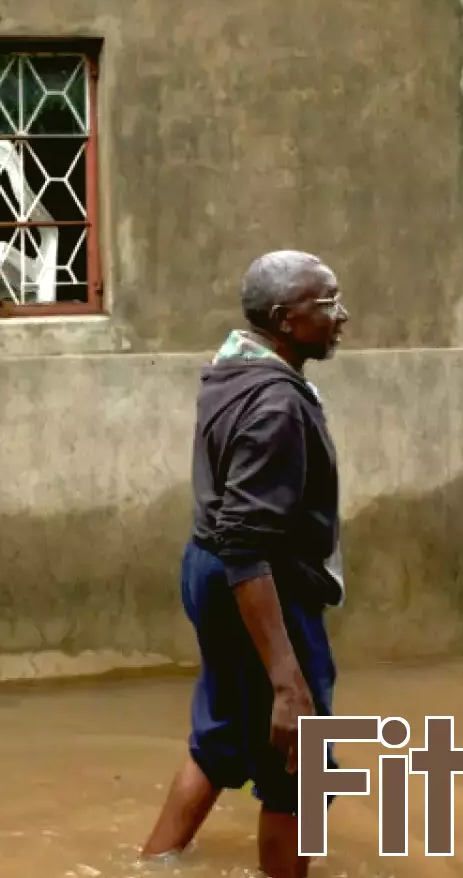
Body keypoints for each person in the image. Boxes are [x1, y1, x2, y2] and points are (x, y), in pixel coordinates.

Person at [139, 249, 350, 878]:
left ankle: (152, 866)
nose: (343, 316)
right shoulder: (276, 405)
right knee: (299, 763)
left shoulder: (232, 370)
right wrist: (288, 681)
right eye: (328, 303)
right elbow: (246, 542)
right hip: (257, 584)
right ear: (287, 319)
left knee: (225, 734)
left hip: (210, 570)